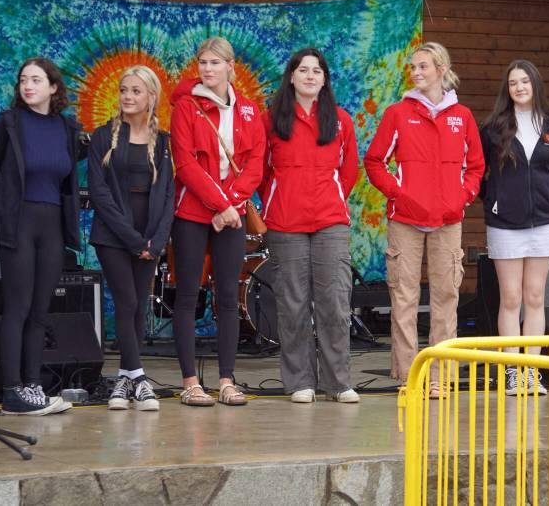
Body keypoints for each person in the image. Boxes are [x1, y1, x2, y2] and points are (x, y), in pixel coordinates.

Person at [364, 41, 485, 394]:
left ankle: (440, 378)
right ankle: (408, 377)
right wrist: (399, 193)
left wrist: (460, 197)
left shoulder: (462, 117)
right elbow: (374, 162)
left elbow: (476, 167)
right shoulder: (397, 114)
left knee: (446, 297)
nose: (416, 73)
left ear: (441, 70)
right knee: (404, 297)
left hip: (448, 220)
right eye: (413, 67)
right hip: (405, 219)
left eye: (423, 66)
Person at [170, 37, 265, 406]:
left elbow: (255, 163)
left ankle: (227, 380)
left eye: (214, 63)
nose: (207, 69)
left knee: (228, 297)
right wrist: (220, 204)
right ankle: (190, 381)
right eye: (202, 63)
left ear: (231, 67)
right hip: (193, 214)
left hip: (233, 214)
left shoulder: (249, 111)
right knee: (188, 296)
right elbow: (185, 163)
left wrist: (233, 203)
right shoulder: (185, 107)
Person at [260, 48, 360, 404]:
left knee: (334, 301)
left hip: (331, 221)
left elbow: (349, 171)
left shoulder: (341, 120)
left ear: (324, 79)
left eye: (317, 71)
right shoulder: (271, 120)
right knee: (293, 302)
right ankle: (300, 381)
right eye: (303, 70)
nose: (310, 76)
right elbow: (261, 172)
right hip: (286, 222)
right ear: (291, 77)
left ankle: (338, 382)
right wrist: (281, 197)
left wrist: (330, 197)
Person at [0, 58, 77, 415]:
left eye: (36, 80)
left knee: (40, 311)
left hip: (51, 225)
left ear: (53, 87)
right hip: (18, 222)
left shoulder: (66, 128)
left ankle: (32, 385)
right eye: (23, 80)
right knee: (17, 308)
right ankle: (11, 391)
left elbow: (67, 181)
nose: (27, 86)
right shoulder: (9, 123)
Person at [479, 60, 549, 396]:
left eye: (524, 82)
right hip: (504, 223)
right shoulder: (492, 127)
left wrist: (545, 199)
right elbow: (478, 173)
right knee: (511, 297)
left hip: (542, 222)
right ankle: (513, 372)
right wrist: (496, 199)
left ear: (535, 84)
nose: (518, 87)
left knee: (534, 297)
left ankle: (532, 372)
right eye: (512, 82)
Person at [88, 66, 174, 411]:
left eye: (136, 91)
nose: (128, 96)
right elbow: (98, 192)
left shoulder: (164, 141)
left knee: (139, 304)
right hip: (112, 235)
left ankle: (124, 380)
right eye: (124, 90)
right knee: (126, 302)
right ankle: (139, 377)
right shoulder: (102, 136)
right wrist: (133, 240)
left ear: (151, 96)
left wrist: (156, 239)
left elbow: (168, 195)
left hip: (149, 236)